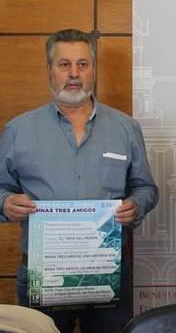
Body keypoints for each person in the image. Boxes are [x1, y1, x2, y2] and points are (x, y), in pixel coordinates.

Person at [0, 29, 158, 333]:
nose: (74, 74)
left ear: (94, 70)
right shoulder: (19, 130)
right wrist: (6, 203)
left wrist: (135, 205)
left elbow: (146, 187)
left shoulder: (125, 128)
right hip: (43, 273)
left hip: (108, 273)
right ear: (49, 70)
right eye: (64, 65)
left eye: (83, 65)